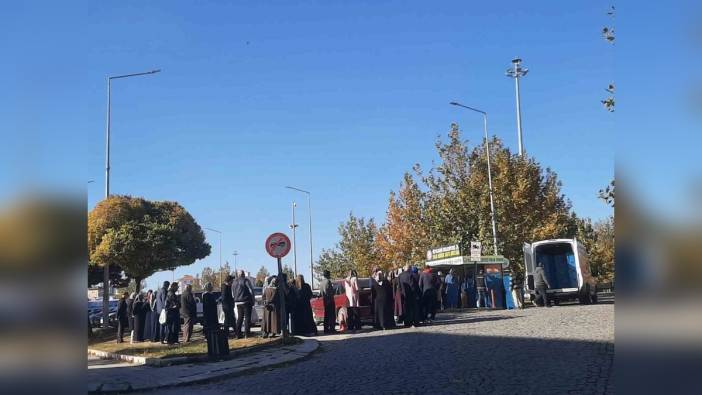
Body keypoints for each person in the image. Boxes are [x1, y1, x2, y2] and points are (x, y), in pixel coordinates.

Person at [232, 270, 254, 338]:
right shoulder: (245, 280)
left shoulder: (234, 282)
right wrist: (253, 298)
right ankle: (247, 334)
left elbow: (232, 293)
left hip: (238, 302)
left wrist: (235, 298)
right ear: (243, 274)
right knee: (247, 318)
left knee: (240, 318)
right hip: (246, 301)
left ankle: (237, 334)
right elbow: (250, 290)